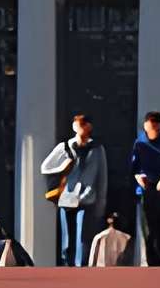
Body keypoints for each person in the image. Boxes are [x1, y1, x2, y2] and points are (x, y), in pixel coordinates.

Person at [41, 112, 111, 266]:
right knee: (66, 242)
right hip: (66, 197)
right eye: (78, 124)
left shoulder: (97, 149)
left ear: (89, 127)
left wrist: (101, 203)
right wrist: (63, 166)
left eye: (83, 124)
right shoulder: (65, 147)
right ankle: (67, 269)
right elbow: (45, 167)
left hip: (86, 198)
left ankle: (80, 270)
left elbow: (102, 177)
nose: (80, 127)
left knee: (82, 239)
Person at [125, 110, 160, 265]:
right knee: (148, 229)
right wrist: (138, 177)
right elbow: (134, 168)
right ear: (145, 126)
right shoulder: (140, 143)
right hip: (146, 189)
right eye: (151, 126)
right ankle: (152, 264)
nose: (154, 130)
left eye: (156, 126)